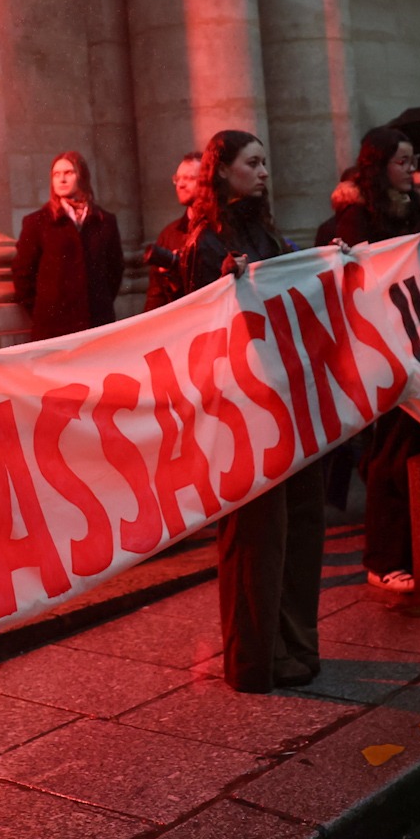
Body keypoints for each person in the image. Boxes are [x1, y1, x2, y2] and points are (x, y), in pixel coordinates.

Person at [177, 129, 326, 692]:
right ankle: (254, 661)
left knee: (296, 532)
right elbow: (194, 324)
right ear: (224, 171)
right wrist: (221, 287)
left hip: (286, 398)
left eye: (266, 162)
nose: (264, 172)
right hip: (242, 408)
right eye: (253, 163)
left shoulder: (268, 231)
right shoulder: (206, 240)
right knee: (255, 540)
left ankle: (295, 648)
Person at [330, 126, 420, 594]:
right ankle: (382, 557)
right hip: (383, 344)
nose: (410, 170)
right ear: (379, 165)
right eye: (401, 162)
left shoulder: (411, 208)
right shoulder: (357, 216)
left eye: (412, 160)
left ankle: (414, 550)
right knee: (389, 454)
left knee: (415, 445)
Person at [12, 151, 124, 340]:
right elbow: (23, 274)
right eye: (56, 174)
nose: (62, 180)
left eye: (68, 173)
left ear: (82, 176)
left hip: (96, 325)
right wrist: (45, 310)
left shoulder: (105, 221)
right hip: (53, 329)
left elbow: (115, 270)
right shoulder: (37, 223)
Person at [144, 151, 203, 311]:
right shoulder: (169, 234)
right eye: (178, 179)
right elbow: (155, 297)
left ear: (206, 182)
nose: (180, 184)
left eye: (189, 178)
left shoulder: (221, 228)